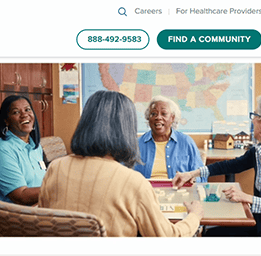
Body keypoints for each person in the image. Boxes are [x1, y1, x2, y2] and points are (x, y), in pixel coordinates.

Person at [38, 90, 203, 237]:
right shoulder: (133, 182)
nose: (157, 118)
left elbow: (42, 221)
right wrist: (194, 216)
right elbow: (167, 238)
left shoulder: (55, 168)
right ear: (126, 130)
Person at [173, 93, 261, 236]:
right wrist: (192, 173)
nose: (252, 121)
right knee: (210, 233)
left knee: (212, 235)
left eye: (254, 115)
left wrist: (247, 198)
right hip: (260, 222)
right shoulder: (259, 150)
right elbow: (230, 165)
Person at [0, 95, 45, 236]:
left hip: (30, 213)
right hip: (1, 223)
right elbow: (21, 196)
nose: (24, 114)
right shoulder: (2, 151)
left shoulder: (35, 146)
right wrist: (56, 188)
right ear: (6, 121)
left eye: (28, 109)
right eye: (16, 112)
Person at [134, 95, 206, 182]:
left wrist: (194, 179)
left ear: (172, 118)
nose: (158, 117)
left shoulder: (186, 142)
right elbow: (124, 174)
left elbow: (201, 176)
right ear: (148, 118)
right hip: (146, 192)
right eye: (153, 114)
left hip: (179, 192)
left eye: (164, 114)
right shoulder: (136, 144)